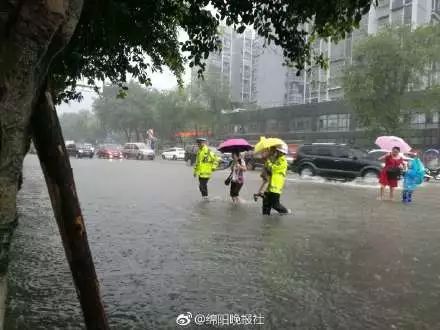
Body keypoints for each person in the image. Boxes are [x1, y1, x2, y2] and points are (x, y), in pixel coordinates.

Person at [262, 144, 290, 215]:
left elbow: (273, 169)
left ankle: (286, 212)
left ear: (283, 153)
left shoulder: (283, 161)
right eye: (278, 151)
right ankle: (266, 218)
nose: (278, 152)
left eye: (280, 151)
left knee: (275, 205)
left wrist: (268, 161)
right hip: (270, 184)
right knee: (265, 203)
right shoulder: (275, 158)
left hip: (276, 186)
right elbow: (268, 168)